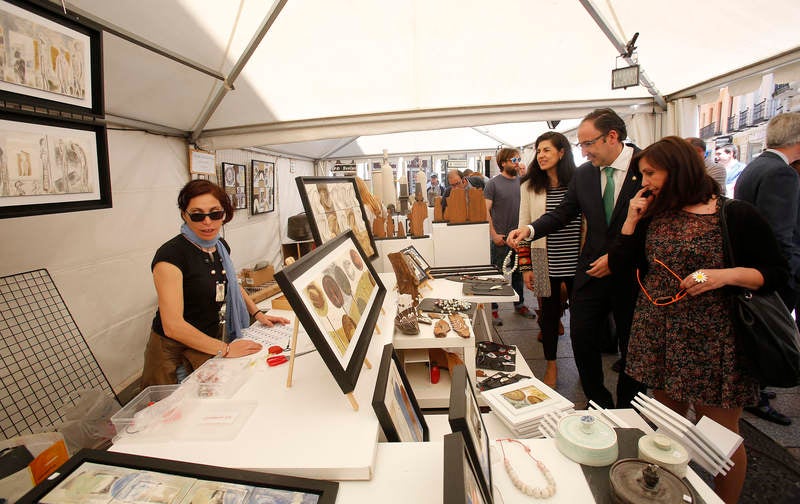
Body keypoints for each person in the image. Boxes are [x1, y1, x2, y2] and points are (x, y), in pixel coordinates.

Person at [608, 136, 788, 504]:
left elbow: (775, 274)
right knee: (666, 427)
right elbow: (622, 266)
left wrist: (723, 275)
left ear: (678, 170)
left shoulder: (735, 214)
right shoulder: (654, 213)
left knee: (720, 436)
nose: (644, 182)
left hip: (715, 338)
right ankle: (667, 494)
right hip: (661, 331)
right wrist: (630, 220)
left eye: (650, 173)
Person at [508, 108, 646, 409]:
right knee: (581, 336)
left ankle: (628, 409)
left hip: (631, 275)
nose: (584, 151)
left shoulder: (646, 165)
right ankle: (598, 401)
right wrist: (530, 230)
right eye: (581, 145)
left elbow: (653, 226)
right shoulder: (585, 174)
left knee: (633, 346)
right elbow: (563, 213)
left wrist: (618, 257)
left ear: (612, 137)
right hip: (588, 270)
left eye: (588, 143)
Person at [142, 180, 289, 386]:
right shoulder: (171, 256)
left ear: (224, 213)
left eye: (215, 213)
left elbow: (231, 283)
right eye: (198, 215)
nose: (208, 222)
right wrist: (226, 349)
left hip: (209, 346)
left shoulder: (219, 246)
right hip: (176, 359)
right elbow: (173, 326)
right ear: (185, 215)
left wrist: (257, 314)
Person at [734, 111, 800, 426]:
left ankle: (756, 390)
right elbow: (780, 233)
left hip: (750, 267)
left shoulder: (755, 166)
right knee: (767, 334)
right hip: (767, 273)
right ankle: (756, 395)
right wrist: (786, 276)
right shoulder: (781, 173)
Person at [517, 132, 580, 388]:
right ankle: (551, 365)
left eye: (546, 150)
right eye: (538, 151)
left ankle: (584, 366)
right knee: (548, 316)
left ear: (562, 152)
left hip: (578, 261)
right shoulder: (529, 186)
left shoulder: (579, 182)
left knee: (582, 319)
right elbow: (522, 227)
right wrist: (526, 268)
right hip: (543, 260)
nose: (540, 155)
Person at [485, 148, 534, 325]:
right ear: (503, 162)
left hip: (521, 237)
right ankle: (494, 308)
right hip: (501, 237)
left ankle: (519, 304)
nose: (517, 162)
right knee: (497, 274)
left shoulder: (523, 181)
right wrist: (494, 235)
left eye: (518, 159)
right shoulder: (493, 184)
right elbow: (486, 211)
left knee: (521, 273)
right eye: (513, 159)